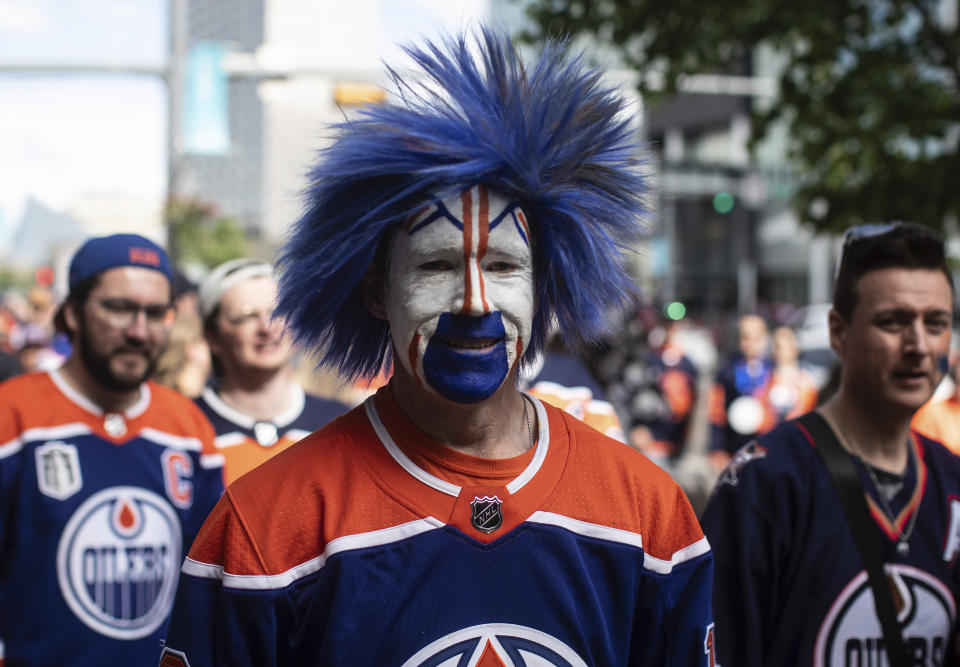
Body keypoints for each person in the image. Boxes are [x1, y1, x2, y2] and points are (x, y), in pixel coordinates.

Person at [160, 29, 715, 666]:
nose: (475, 301)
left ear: (544, 287)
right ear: (375, 291)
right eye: (435, 266)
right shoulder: (266, 525)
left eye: (505, 266)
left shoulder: (647, 511)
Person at [702, 222, 960, 665]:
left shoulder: (951, 481)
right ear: (839, 333)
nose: (918, 344)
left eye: (935, 323)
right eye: (893, 322)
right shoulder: (765, 485)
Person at [0, 233, 224, 665]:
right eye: (119, 308)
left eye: (156, 313)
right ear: (73, 313)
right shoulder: (13, 417)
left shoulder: (189, 429)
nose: (140, 331)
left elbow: (208, 584)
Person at [194, 258, 349, 484]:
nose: (267, 327)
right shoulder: (184, 426)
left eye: (277, 311)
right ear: (213, 337)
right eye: (246, 316)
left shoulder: (338, 423)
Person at [707, 313, 774, 468]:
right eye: (743, 337)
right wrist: (717, 449)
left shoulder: (773, 369)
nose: (748, 343)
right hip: (735, 447)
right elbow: (716, 412)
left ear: (764, 337)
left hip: (768, 446)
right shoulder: (727, 369)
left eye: (753, 337)